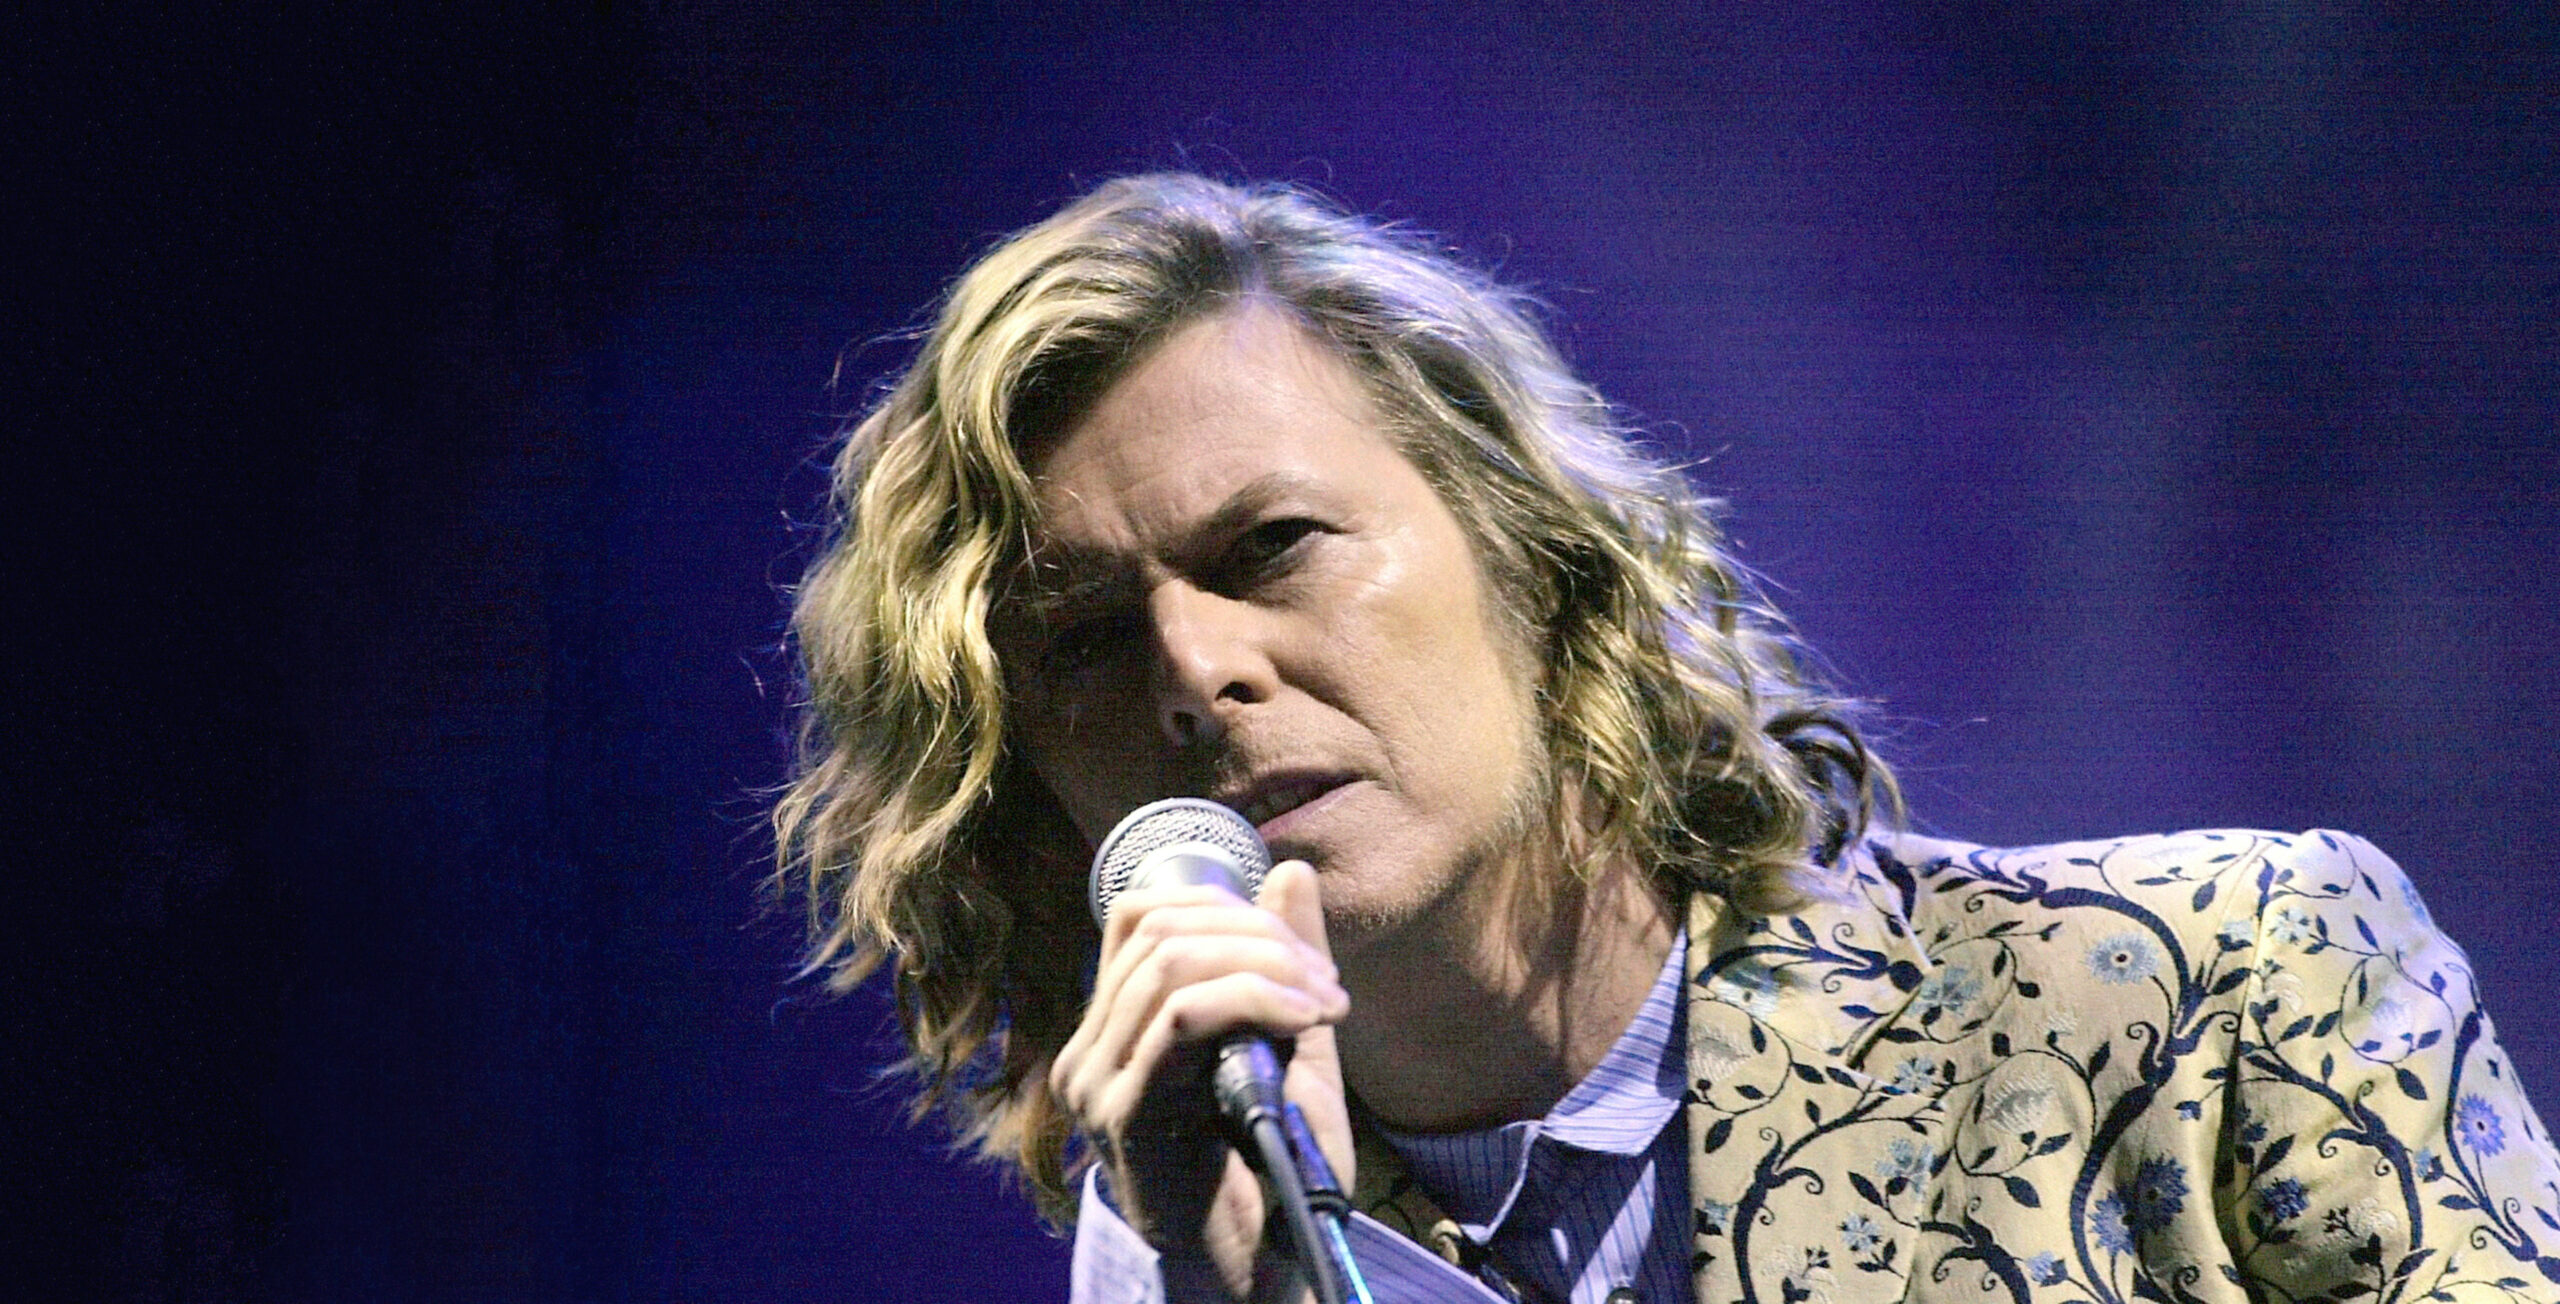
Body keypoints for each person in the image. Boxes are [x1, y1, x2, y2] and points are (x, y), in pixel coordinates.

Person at [771, 174, 2560, 1304]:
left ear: (1538, 559)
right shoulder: (1197, 1246)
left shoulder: (2208, 983)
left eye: (1272, 548)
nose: (1195, 671)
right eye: (1084, 642)